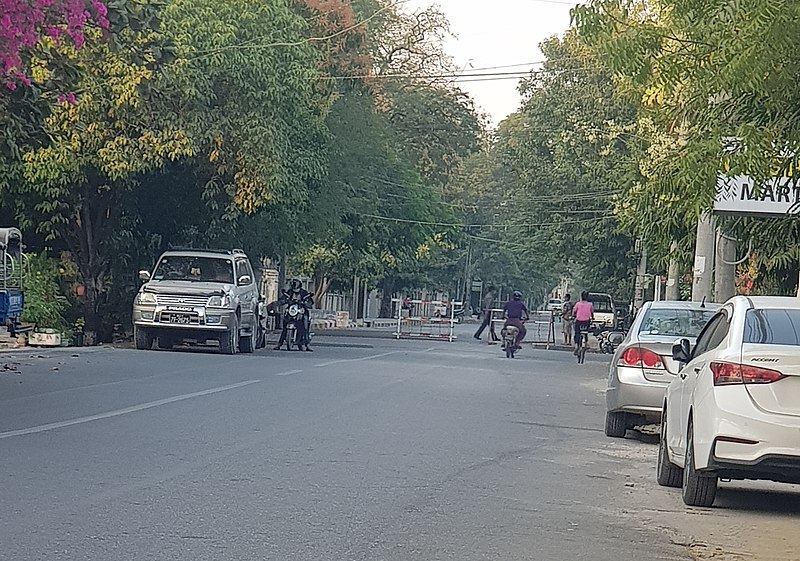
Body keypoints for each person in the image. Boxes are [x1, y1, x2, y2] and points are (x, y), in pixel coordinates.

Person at [273, 279, 314, 351]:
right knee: (284, 326)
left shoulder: (304, 293)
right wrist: (283, 301)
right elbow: (282, 299)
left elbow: (310, 301)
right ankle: (279, 344)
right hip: (291, 310)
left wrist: (306, 303)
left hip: (301, 311)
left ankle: (307, 344)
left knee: (305, 325)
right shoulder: (289, 292)